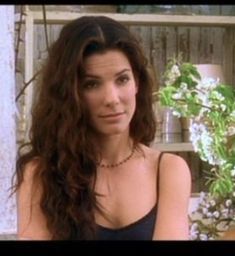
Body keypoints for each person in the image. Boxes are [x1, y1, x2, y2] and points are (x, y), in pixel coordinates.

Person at [14, 15, 191, 240]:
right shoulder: (40, 174)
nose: (112, 98)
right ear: (70, 93)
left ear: (137, 82)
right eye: (92, 84)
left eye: (122, 80)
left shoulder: (169, 171)